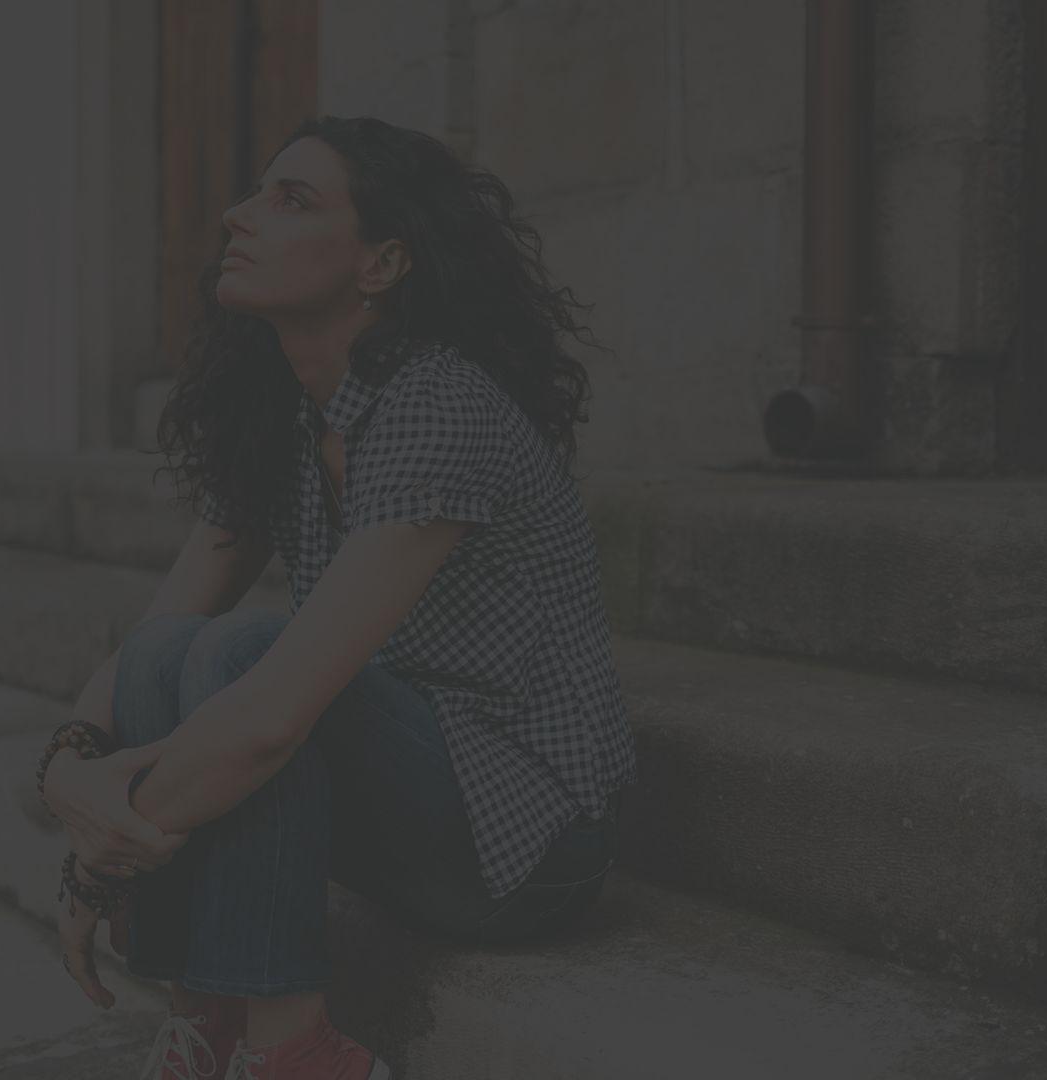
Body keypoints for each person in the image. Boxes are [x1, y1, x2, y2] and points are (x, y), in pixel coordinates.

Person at [39, 114, 637, 1080]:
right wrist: (65, 767)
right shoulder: (286, 414)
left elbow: (273, 718)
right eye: (255, 193)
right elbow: (150, 642)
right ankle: (215, 1026)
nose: (238, 216)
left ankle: (301, 1058)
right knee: (175, 656)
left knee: (245, 666)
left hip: (524, 839)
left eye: (292, 199)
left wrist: (100, 857)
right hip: (405, 797)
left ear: (382, 263)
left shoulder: (438, 404)